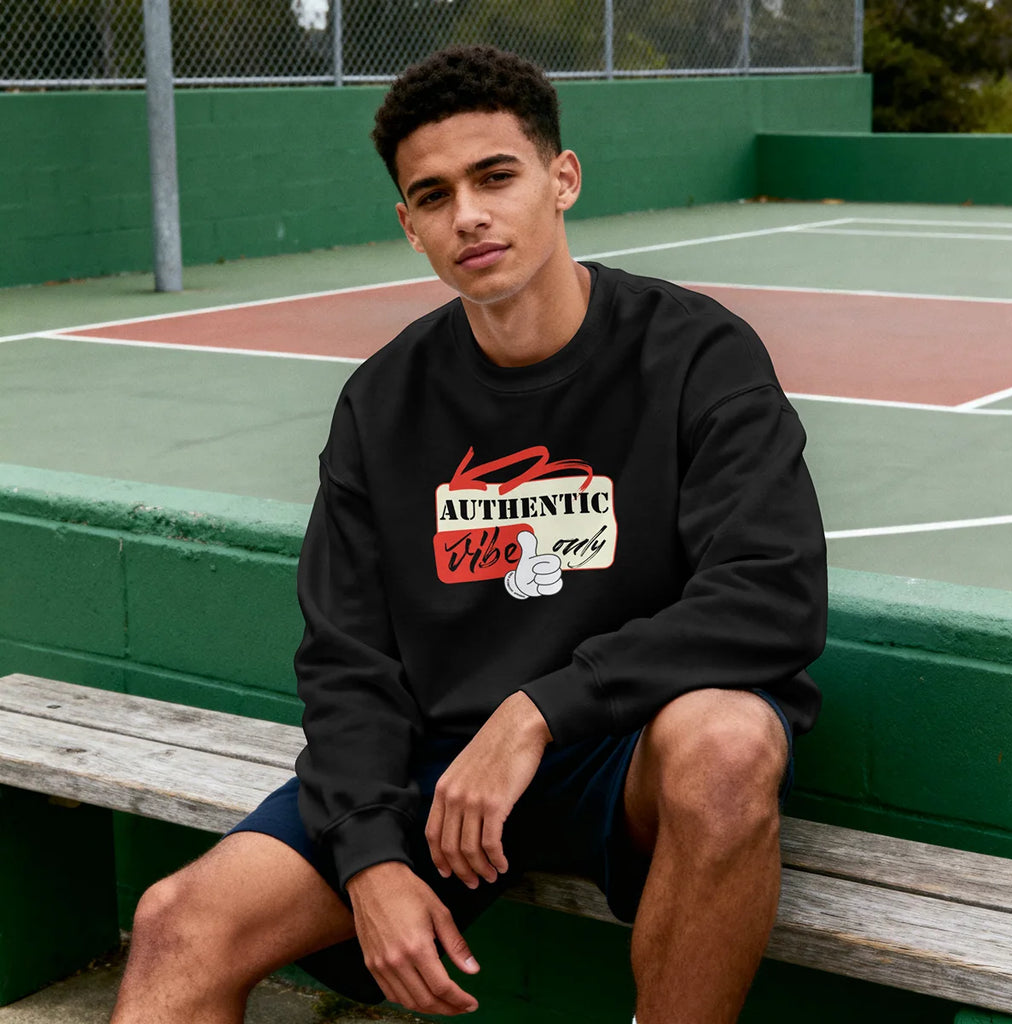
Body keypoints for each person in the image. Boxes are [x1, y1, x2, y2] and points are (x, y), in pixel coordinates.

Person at [110, 45, 827, 1024]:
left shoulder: (698, 354)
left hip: (623, 751)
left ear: (561, 178)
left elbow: (770, 594)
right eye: (434, 195)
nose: (469, 215)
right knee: (178, 924)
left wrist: (537, 712)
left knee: (730, 742)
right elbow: (347, 659)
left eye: (495, 177)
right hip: (439, 766)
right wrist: (370, 858)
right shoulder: (381, 404)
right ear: (410, 227)